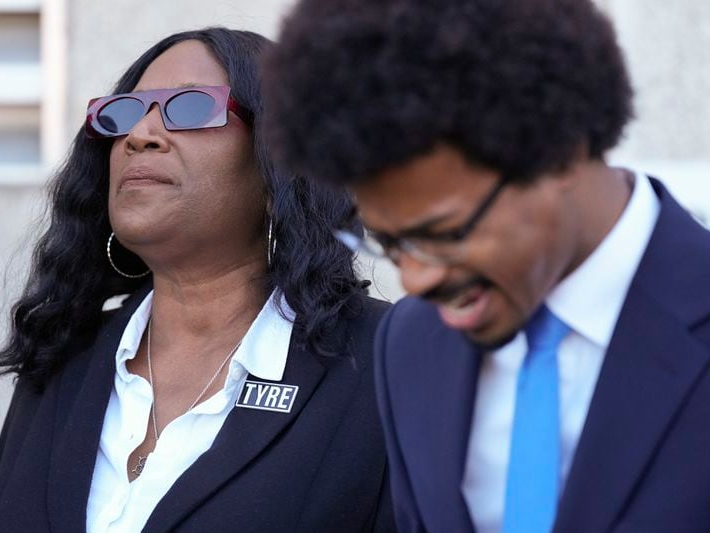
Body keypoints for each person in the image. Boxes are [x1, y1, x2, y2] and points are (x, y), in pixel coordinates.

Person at [262, 0, 710, 532]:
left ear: (561, 149)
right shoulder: (410, 343)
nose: (415, 280)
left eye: (445, 234)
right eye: (388, 241)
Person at [0, 27, 395, 533]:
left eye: (191, 107)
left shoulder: (388, 364)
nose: (140, 134)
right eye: (126, 111)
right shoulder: (64, 360)